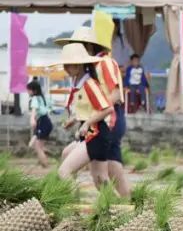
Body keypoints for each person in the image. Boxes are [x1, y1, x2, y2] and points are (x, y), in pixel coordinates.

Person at [55, 26, 131, 198]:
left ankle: (128, 203)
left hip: (109, 120)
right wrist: (79, 117)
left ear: (88, 46)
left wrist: (94, 115)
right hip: (97, 120)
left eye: (78, 45)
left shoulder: (104, 63)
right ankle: (122, 204)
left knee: (110, 169)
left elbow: (115, 95)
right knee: (99, 172)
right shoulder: (88, 68)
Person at [55, 44, 114, 189]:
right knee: (100, 180)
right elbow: (89, 110)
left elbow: (108, 108)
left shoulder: (89, 84)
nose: (65, 68)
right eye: (64, 65)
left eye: (68, 65)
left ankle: (72, 200)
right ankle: (112, 203)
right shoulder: (80, 85)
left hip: (95, 134)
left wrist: (87, 123)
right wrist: (75, 119)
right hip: (90, 134)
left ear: (79, 65)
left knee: (64, 171)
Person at [26, 80, 52, 168]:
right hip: (46, 122)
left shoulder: (35, 98)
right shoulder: (43, 97)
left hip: (43, 122)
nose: (27, 92)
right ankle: (43, 161)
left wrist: (32, 119)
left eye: (29, 90)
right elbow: (49, 108)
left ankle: (46, 165)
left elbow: (34, 109)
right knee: (38, 145)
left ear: (34, 90)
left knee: (37, 146)